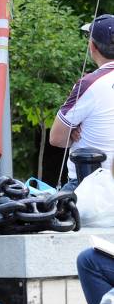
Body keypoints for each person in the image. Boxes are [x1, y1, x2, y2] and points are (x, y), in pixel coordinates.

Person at [50, 14, 114, 191]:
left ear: (92, 46)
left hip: (89, 186)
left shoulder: (89, 84)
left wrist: (71, 133)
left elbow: (56, 138)